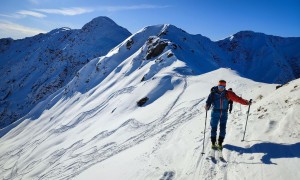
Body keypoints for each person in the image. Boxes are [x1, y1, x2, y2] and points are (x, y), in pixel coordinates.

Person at [205, 80, 251, 150]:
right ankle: (213, 143)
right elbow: (208, 101)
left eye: (223, 87)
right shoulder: (213, 93)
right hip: (215, 112)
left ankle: (220, 143)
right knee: (213, 128)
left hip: (224, 113)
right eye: (220, 86)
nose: (221, 88)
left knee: (223, 128)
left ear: (225, 87)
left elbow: (237, 99)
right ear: (218, 86)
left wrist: (246, 103)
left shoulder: (228, 93)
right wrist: (207, 106)